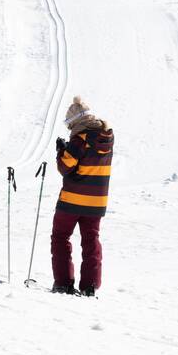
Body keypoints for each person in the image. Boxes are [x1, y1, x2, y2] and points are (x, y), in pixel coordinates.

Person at [51, 96, 113, 297]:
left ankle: (63, 283)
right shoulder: (107, 138)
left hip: (72, 199)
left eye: (70, 124)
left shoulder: (79, 140)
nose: (70, 129)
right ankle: (90, 285)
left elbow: (65, 167)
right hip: (97, 202)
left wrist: (62, 150)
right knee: (91, 240)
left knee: (60, 237)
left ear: (76, 121)